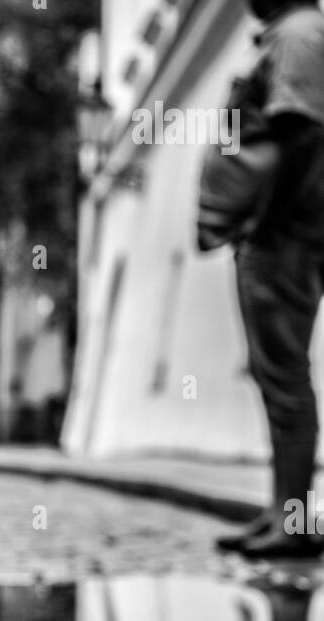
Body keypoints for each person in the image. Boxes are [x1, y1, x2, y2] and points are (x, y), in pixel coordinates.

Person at [198, 0, 324, 557]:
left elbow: (301, 133)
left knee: (286, 379)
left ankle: (293, 520)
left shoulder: (299, 34)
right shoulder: (290, 35)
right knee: (276, 377)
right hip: (283, 230)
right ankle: (282, 511)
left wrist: (267, 219)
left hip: (287, 234)